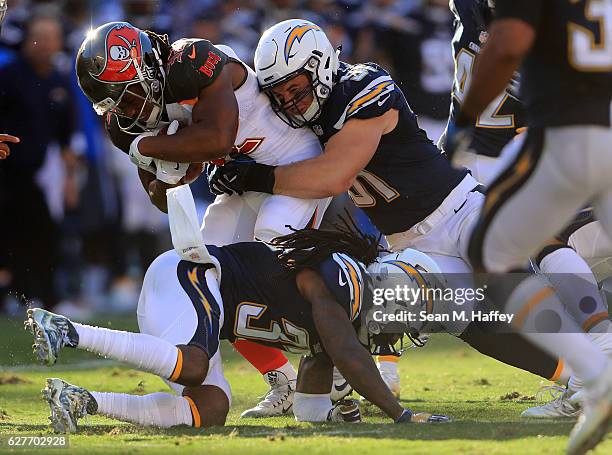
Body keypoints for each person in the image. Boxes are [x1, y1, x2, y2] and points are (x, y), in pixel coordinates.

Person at [26, 186, 451, 431]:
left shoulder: (342, 323)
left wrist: (342, 409)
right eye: (411, 305)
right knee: (194, 366)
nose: (406, 320)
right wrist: (401, 416)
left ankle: (82, 401)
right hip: (191, 275)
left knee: (210, 409)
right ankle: (68, 331)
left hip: (188, 311)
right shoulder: (342, 278)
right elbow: (346, 352)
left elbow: (308, 410)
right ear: (395, 281)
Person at [75, 21, 333, 417]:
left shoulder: (192, 60)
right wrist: (168, 174)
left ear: (145, 69)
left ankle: (331, 355)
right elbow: (162, 200)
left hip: (295, 163)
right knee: (209, 271)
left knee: (273, 239)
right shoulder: (124, 126)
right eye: (113, 106)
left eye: (126, 99)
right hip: (246, 180)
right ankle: (282, 378)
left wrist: (149, 146)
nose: (125, 113)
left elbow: (218, 138)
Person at [444, 1, 612, 454]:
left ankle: (598, 372)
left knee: (491, 253)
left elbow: (508, 45)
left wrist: (462, 120)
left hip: (562, 131)